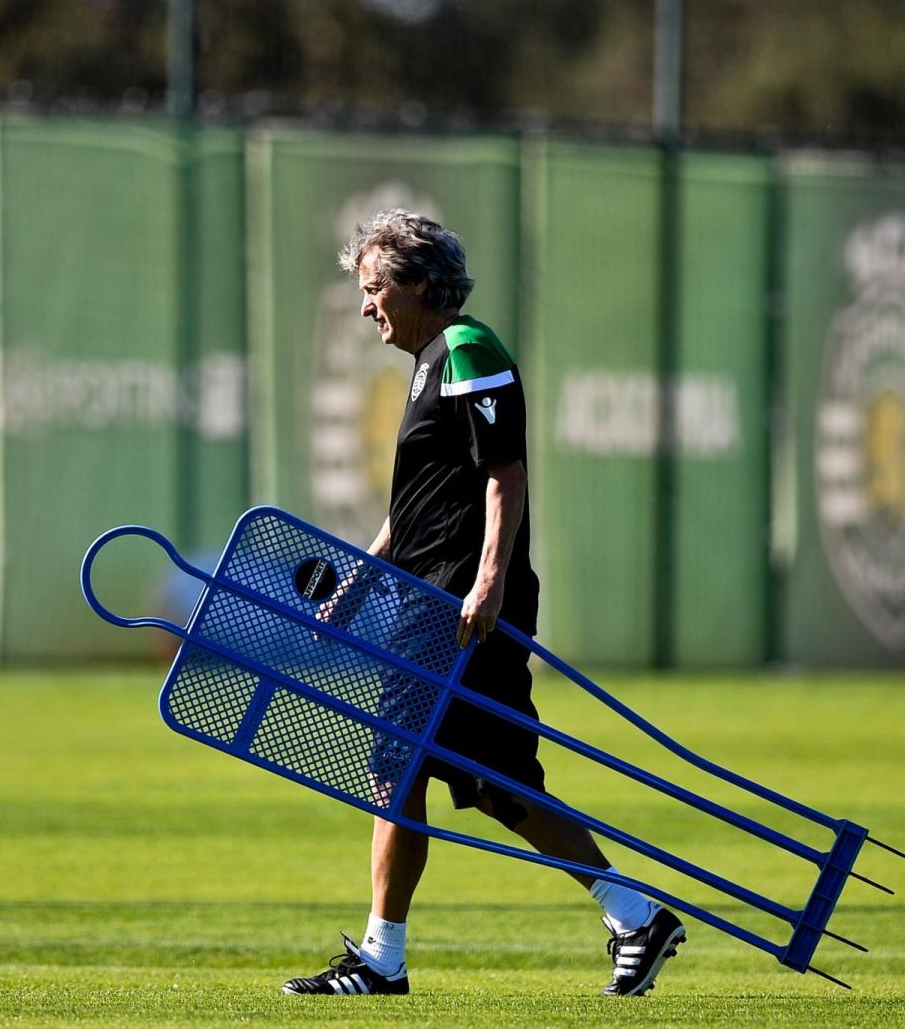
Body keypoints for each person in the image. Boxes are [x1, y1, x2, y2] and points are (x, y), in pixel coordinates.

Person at [281, 209, 686, 998]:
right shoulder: (431, 361)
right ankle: (636, 917)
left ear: (421, 284)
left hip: (461, 609)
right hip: (432, 601)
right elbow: (419, 505)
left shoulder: (467, 348)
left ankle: (383, 960)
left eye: (374, 288)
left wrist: (489, 581)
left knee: (404, 768)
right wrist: (362, 580)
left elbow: (505, 472)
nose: (367, 306)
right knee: (490, 783)